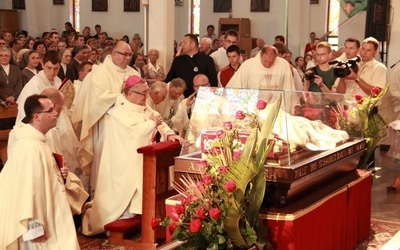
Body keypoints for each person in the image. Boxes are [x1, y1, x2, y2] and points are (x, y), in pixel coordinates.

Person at [81, 75, 182, 236]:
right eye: (143, 93)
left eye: (146, 92)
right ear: (130, 93)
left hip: (142, 160)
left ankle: (141, 214)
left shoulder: (142, 106)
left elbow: (157, 119)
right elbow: (134, 134)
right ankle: (121, 215)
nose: (146, 97)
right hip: (123, 162)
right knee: (124, 197)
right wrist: (151, 123)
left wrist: (169, 133)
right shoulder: (119, 111)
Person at [0, 94, 79, 249]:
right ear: (36, 116)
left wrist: (60, 173)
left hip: (50, 212)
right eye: (50, 110)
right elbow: (27, 192)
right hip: (37, 224)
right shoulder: (28, 147)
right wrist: (35, 228)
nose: (56, 113)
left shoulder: (38, 140)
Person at [71, 40, 139, 196]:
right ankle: (101, 199)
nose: (128, 58)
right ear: (114, 53)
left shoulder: (133, 73)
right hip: (106, 126)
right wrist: (124, 97)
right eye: (124, 54)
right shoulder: (100, 72)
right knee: (106, 165)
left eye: (130, 55)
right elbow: (100, 99)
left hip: (129, 129)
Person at [226, 45, 296, 110]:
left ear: (275, 57)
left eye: (271, 62)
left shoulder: (283, 65)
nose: (268, 64)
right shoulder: (248, 65)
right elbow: (234, 88)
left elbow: (289, 90)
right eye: (265, 61)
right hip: (253, 109)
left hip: (276, 109)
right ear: (260, 56)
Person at [16, 50, 62, 122]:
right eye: (49, 68)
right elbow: (26, 110)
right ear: (43, 65)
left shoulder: (58, 80)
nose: (52, 72)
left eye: (56, 68)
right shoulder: (34, 84)